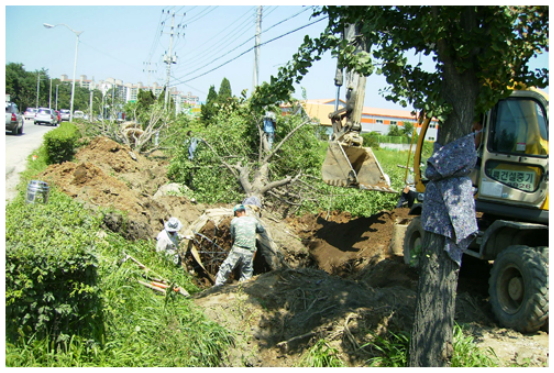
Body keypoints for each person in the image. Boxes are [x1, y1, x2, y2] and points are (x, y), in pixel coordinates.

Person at [213, 204, 265, 287]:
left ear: (238, 212)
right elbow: (261, 230)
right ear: (244, 211)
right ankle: (243, 288)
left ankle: (218, 286)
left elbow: (233, 235)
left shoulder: (235, 221)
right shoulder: (253, 220)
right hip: (250, 250)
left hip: (238, 249)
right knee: (247, 270)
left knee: (226, 267)